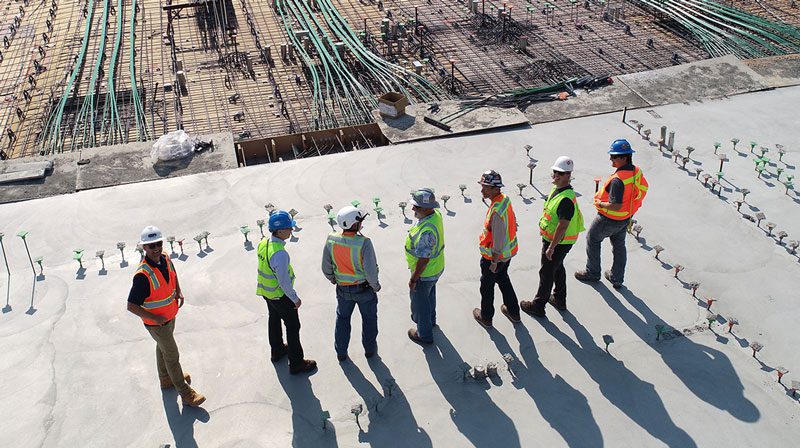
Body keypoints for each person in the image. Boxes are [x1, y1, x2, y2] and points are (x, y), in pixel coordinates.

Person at [127, 225, 205, 407]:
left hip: (169, 316)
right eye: (151, 245)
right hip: (157, 324)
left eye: (158, 244)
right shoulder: (142, 275)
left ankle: (166, 379)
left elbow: (173, 274)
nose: (156, 248)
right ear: (144, 248)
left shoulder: (165, 258)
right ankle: (186, 394)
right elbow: (131, 306)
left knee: (162, 347)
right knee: (172, 355)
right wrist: (155, 319)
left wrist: (178, 291)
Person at [574, 139, 648, 289]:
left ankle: (593, 272)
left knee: (593, 239)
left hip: (608, 219)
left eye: (614, 156)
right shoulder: (636, 171)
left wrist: (600, 203)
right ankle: (617, 278)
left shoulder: (618, 180)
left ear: (624, 157)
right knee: (619, 246)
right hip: (625, 217)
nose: (611, 159)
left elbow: (615, 205)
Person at [521, 156, 585, 318]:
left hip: (558, 242)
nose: (556, 176)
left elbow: (562, 225)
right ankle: (559, 298)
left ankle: (538, 306)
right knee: (557, 267)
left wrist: (551, 247)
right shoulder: (558, 190)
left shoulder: (565, 199)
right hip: (557, 241)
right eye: (555, 172)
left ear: (568, 175)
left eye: (561, 173)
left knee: (546, 272)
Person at [257, 211, 316, 374]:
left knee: (274, 319)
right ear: (280, 231)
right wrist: (295, 299)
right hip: (280, 295)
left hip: (266, 292)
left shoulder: (263, 243)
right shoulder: (280, 253)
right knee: (293, 326)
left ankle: (277, 351)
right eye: (289, 228)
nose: (291, 230)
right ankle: (296, 362)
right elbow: (283, 281)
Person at [322, 206, 381, 361]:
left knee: (342, 319)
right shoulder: (364, 243)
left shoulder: (331, 239)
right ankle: (369, 350)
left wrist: (333, 279)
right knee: (369, 320)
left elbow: (326, 266)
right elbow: (370, 271)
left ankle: (341, 352)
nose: (361, 224)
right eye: (360, 221)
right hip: (364, 290)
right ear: (354, 224)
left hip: (342, 289)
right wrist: (375, 286)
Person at [473, 170, 520, 328]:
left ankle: (486, 317)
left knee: (486, 286)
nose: (482, 190)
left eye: (485, 187)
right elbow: (512, 219)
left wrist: (493, 261)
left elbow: (498, 239)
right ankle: (513, 311)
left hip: (494, 258)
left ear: (495, 189)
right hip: (507, 255)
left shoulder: (497, 211)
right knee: (503, 279)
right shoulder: (504, 200)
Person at [405, 188, 445, 344]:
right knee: (429, 296)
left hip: (425, 273)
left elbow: (423, 259)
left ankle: (424, 334)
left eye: (417, 206)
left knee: (420, 303)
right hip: (436, 269)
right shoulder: (435, 216)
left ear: (428, 208)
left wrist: (414, 279)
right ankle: (431, 321)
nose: (413, 208)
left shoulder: (426, 232)